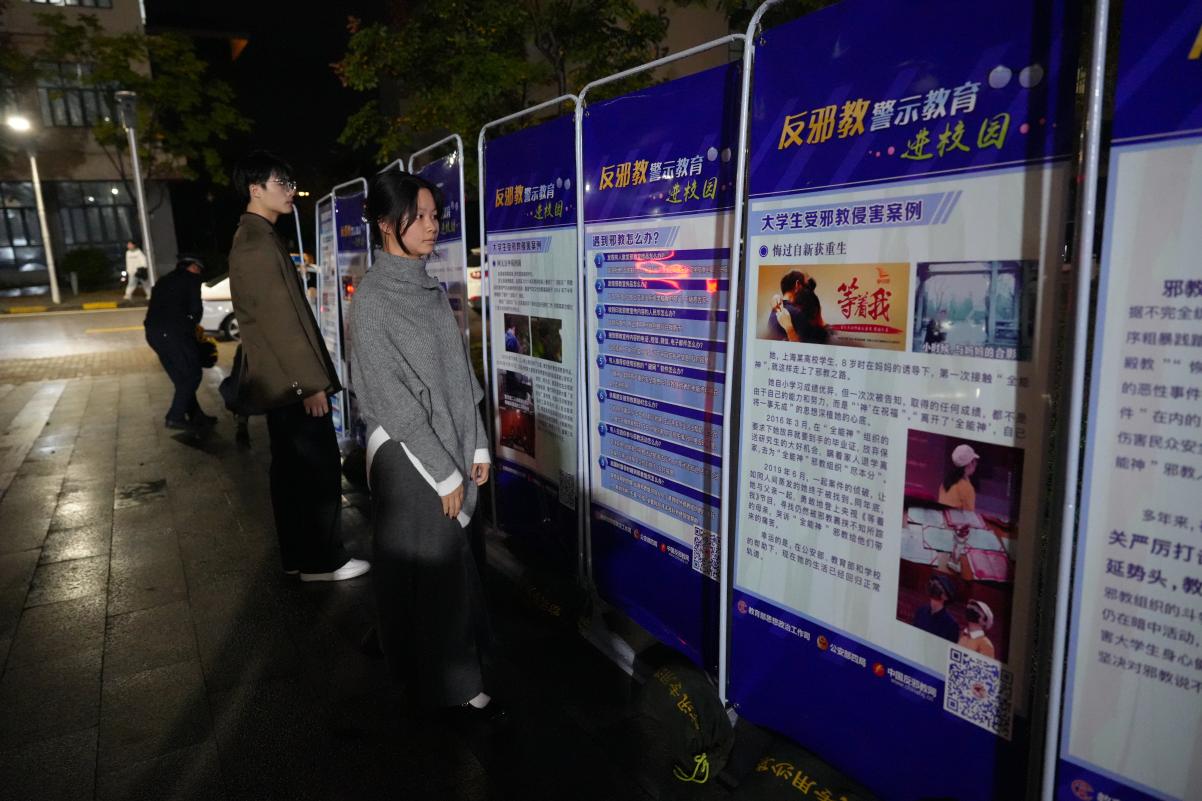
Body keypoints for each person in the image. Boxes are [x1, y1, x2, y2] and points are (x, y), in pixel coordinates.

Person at [349, 169, 499, 720]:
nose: (433, 226)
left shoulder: (427, 285)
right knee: (440, 569)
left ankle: (409, 649)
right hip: (408, 452)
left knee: (437, 565)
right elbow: (390, 398)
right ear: (388, 224)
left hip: (447, 442)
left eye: (436, 215)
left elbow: (458, 373)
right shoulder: (372, 299)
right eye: (421, 216)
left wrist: (477, 444)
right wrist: (445, 471)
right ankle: (453, 684)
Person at [228, 151, 369, 583]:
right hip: (291, 384)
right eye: (282, 184)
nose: (291, 191)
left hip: (280, 383)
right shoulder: (256, 243)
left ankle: (298, 555)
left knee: (291, 473)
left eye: (290, 183)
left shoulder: (257, 236)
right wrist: (308, 385)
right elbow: (279, 323)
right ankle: (322, 561)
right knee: (316, 469)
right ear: (256, 189)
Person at [143, 257, 214, 430]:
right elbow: (195, 310)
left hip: (153, 333)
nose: (199, 273)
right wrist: (192, 328)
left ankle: (196, 415)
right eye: (199, 269)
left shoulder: (164, 280)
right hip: (174, 333)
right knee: (192, 374)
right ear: (193, 267)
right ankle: (175, 417)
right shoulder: (191, 280)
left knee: (181, 377)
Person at [767, 270, 828, 344]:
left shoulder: (773, 313)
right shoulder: (798, 313)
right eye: (807, 286)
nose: (810, 292)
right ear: (797, 285)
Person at [913, 573, 959, 643]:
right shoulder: (920, 611)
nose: (934, 586)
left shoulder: (951, 625)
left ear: (946, 597)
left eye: (939, 585)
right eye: (934, 583)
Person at [939, 443, 980, 510]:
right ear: (970, 464)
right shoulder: (968, 488)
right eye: (975, 461)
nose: (976, 464)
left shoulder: (945, 482)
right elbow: (969, 514)